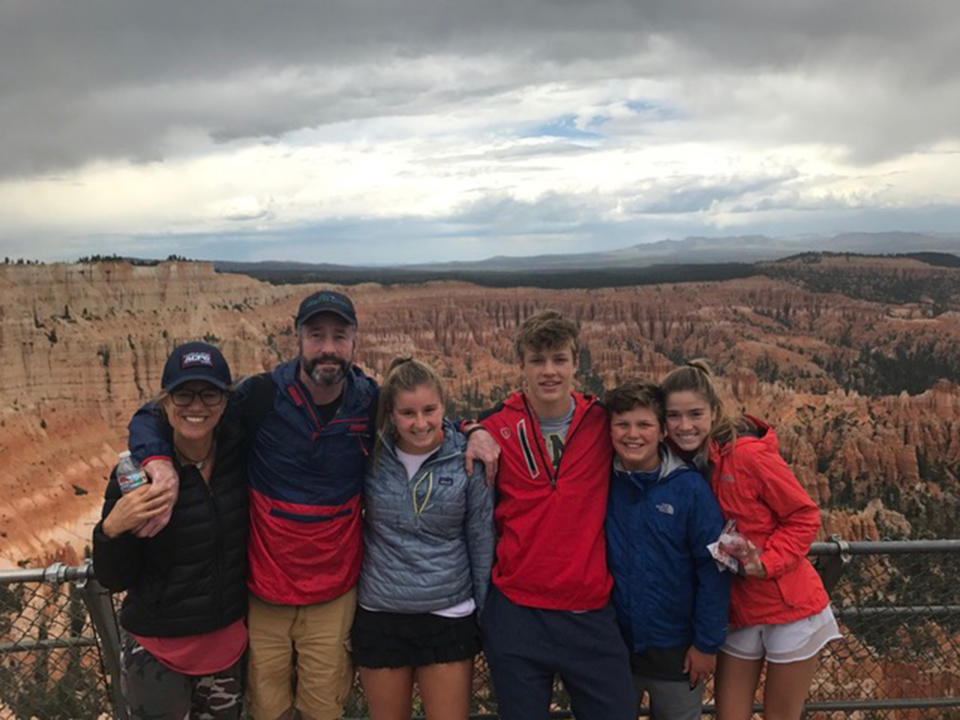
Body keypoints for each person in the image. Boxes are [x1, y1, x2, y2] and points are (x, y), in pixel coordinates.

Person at [128, 290, 500, 720]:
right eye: (316, 335)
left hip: (334, 595)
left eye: (339, 336)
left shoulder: (368, 403)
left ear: (354, 342)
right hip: (265, 593)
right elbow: (153, 415)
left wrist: (474, 429)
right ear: (297, 339)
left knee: (324, 709)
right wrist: (160, 463)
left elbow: (422, 421)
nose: (328, 348)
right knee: (268, 710)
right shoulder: (261, 397)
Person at [475, 310, 635, 720]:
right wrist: (466, 429)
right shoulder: (495, 428)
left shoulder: (603, 424)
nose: (549, 371)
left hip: (589, 612)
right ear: (521, 366)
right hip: (517, 613)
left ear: (575, 363)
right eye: (538, 360)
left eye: (559, 359)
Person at [661, 360, 841, 720]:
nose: (685, 426)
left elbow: (804, 516)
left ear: (714, 412)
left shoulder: (746, 456)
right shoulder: (678, 465)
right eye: (673, 416)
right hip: (738, 611)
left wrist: (767, 562)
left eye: (695, 414)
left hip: (789, 609)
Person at [93, 341, 248, 720]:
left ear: (225, 401)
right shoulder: (136, 478)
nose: (197, 406)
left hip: (226, 653)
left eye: (210, 393)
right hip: (157, 656)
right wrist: (112, 527)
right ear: (164, 402)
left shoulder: (242, 457)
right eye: (183, 393)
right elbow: (114, 577)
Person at [353, 357, 495, 720]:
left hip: (447, 614)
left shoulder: (466, 459)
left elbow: (481, 540)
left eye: (429, 410)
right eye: (407, 413)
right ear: (391, 413)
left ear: (444, 407)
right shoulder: (370, 455)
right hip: (381, 612)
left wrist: (485, 614)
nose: (420, 423)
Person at [604, 380, 730, 720]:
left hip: (677, 649)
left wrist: (706, 644)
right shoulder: (602, 481)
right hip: (614, 646)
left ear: (662, 432)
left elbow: (713, 568)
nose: (633, 434)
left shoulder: (689, 490)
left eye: (644, 424)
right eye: (623, 425)